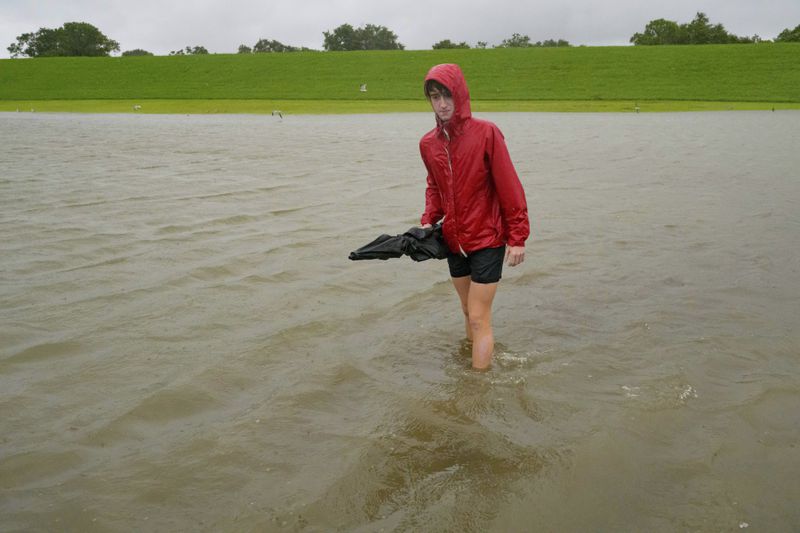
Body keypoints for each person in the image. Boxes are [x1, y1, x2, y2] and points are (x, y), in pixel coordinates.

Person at [418, 63, 530, 370]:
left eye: (447, 95)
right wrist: (429, 219)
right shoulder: (428, 144)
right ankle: (472, 365)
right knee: (468, 312)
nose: (441, 104)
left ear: (460, 95)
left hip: (488, 239)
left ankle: (476, 391)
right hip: (455, 241)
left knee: (480, 316)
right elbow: (435, 186)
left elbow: (510, 186)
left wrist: (518, 236)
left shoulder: (487, 133)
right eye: (434, 96)